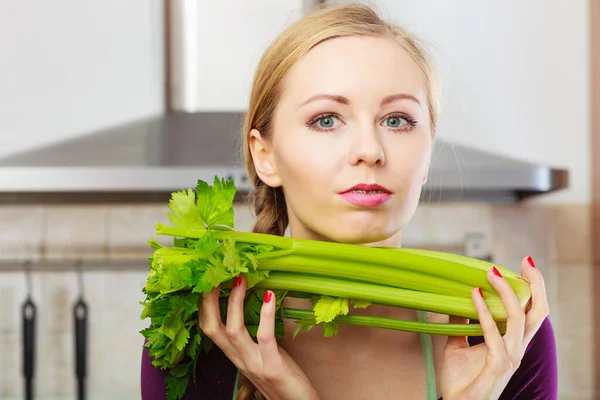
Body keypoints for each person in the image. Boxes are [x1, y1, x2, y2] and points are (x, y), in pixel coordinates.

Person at [142, 3, 557, 399]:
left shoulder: (504, 335)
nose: (370, 150)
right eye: (326, 120)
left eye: (397, 120)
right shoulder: (204, 332)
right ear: (264, 156)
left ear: (428, 153)